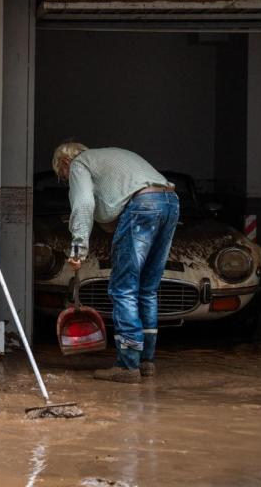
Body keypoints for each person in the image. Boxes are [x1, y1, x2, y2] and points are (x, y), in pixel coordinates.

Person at [52, 141, 179, 384]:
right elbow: (111, 208)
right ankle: (146, 362)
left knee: (123, 289)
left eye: (64, 177)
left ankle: (127, 364)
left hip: (142, 206)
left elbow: (84, 204)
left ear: (65, 163)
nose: (68, 181)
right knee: (147, 289)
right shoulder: (111, 158)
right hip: (170, 203)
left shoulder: (79, 164)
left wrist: (78, 249)